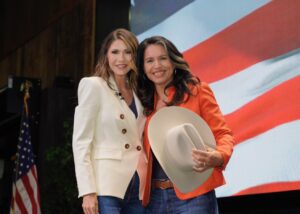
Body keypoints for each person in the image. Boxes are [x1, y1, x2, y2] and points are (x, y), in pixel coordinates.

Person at [136, 36, 235, 214]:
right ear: (143, 68)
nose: (156, 65)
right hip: (154, 200)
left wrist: (219, 156)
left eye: (163, 58)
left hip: (194, 195)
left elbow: (223, 134)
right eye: (149, 61)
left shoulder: (197, 90)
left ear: (174, 62)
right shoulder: (144, 103)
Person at [72, 28, 147, 214]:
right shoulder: (93, 85)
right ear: (105, 55)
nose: (121, 59)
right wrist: (88, 192)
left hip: (139, 184)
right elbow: (81, 142)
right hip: (106, 186)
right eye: (115, 52)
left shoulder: (141, 91)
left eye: (127, 52)